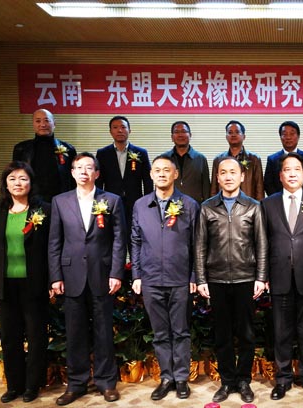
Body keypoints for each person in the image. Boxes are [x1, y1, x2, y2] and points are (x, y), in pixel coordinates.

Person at [49, 152, 127, 406]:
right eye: (79, 167)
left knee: (104, 331)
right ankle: (76, 383)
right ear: (72, 172)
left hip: (102, 275)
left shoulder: (111, 200)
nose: (84, 172)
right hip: (71, 275)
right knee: (75, 333)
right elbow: (54, 242)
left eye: (89, 167)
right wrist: (55, 276)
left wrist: (116, 272)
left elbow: (119, 240)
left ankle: (106, 382)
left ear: (97, 173)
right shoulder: (60, 201)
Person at [195, 156, 268, 404]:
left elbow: (261, 244)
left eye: (233, 172)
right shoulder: (207, 207)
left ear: (242, 176)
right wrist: (201, 278)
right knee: (222, 334)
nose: (228, 176)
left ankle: (244, 380)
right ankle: (227, 381)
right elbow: (200, 246)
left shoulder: (253, 206)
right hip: (216, 279)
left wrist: (261, 277)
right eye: (223, 172)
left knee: (246, 333)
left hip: (246, 278)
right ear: (217, 177)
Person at [261, 152, 303, 401]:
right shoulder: (267, 204)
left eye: (296, 169)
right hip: (278, 276)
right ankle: (283, 379)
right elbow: (263, 243)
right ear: (280, 176)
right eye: (287, 170)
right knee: (281, 332)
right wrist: (263, 276)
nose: (292, 174)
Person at [0, 161, 51, 403]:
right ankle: (14, 386)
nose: (17, 183)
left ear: (31, 183)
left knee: (36, 336)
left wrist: (53, 281)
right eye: (12, 179)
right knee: (10, 337)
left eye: (23, 178)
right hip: (5, 284)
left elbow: (52, 248)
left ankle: (32, 385)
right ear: (6, 184)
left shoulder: (44, 210)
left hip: (35, 283)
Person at [131, 154, 199, 401]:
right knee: (160, 333)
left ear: (175, 174)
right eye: (157, 170)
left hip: (180, 278)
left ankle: (181, 378)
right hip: (150, 279)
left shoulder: (189, 205)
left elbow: (197, 244)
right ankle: (166, 378)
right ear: (151, 175)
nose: (161, 174)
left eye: (166, 170)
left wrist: (194, 275)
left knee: (181, 331)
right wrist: (137, 274)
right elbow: (135, 241)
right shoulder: (140, 205)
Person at [95, 115, 153, 238]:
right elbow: (98, 181)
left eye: (123, 127)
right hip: (110, 203)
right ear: (110, 131)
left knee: (135, 237)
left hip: (135, 203)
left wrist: (147, 202)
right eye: (115, 127)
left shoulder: (140, 153)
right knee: (113, 237)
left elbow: (148, 180)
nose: (120, 130)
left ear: (129, 130)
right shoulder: (102, 153)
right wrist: (99, 202)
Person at [13, 109, 77, 202]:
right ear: (33, 124)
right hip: (31, 200)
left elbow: (73, 180)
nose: (42, 125)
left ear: (54, 123)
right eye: (38, 121)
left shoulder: (68, 149)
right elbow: (15, 177)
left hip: (62, 200)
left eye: (47, 120)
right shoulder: (21, 149)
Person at [210, 120, 264, 201]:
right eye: (230, 132)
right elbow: (213, 189)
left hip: (248, 205)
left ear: (244, 136)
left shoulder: (254, 159)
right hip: (223, 205)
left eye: (237, 132)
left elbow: (259, 188)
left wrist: (258, 206)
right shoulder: (218, 160)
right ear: (226, 137)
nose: (233, 135)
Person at [264, 121, 303, 196]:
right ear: (280, 137)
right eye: (284, 134)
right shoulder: (272, 159)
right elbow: (268, 184)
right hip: (279, 201)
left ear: (298, 136)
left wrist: (301, 198)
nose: (288, 137)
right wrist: (280, 199)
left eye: (292, 134)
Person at [164, 121, 211, 203]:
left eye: (184, 131)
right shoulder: (164, 159)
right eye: (176, 132)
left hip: (195, 207)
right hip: (169, 207)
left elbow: (206, 189)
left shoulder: (200, 159)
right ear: (172, 137)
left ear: (190, 135)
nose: (180, 135)